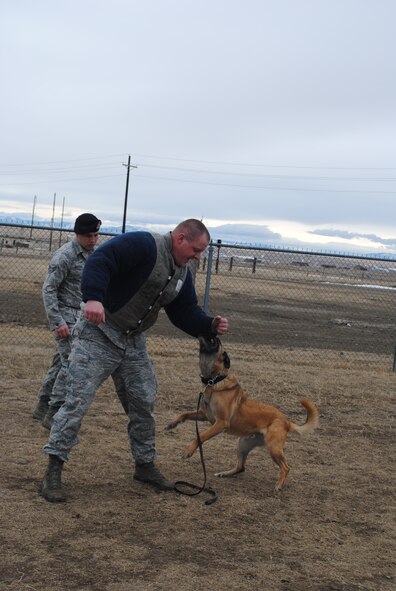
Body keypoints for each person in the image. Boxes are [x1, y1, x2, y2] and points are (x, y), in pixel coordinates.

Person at [40, 219, 229, 502]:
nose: (199, 257)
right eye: (197, 249)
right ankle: (53, 469)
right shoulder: (143, 244)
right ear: (180, 238)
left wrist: (208, 324)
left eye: (202, 252)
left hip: (133, 342)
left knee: (143, 401)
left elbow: (184, 312)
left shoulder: (183, 273)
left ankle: (145, 465)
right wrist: (93, 298)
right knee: (76, 401)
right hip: (98, 334)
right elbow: (102, 261)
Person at [32, 213, 102, 428]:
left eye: (96, 235)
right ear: (77, 235)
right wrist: (57, 322)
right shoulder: (65, 256)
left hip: (81, 317)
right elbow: (49, 289)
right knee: (71, 365)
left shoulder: (93, 255)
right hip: (65, 318)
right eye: (88, 235)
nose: (93, 239)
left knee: (60, 363)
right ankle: (54, 412)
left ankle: (42, 406)